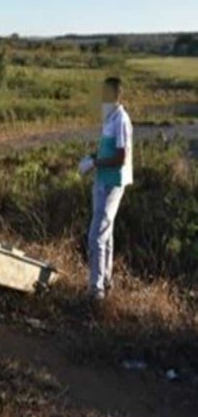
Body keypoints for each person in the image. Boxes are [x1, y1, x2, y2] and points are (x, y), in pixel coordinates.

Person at [86, 77, 133, 301]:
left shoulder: (121, 119)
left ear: (115, 95)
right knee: (107, 235)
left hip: (112, 182)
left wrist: (95, 164)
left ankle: (96, 292)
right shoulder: (110, 118)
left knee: (96, 236)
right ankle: (105, 283)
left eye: (105, 93)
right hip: (102, 180)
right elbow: (108, 151)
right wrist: (92, 159)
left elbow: (121, 158)